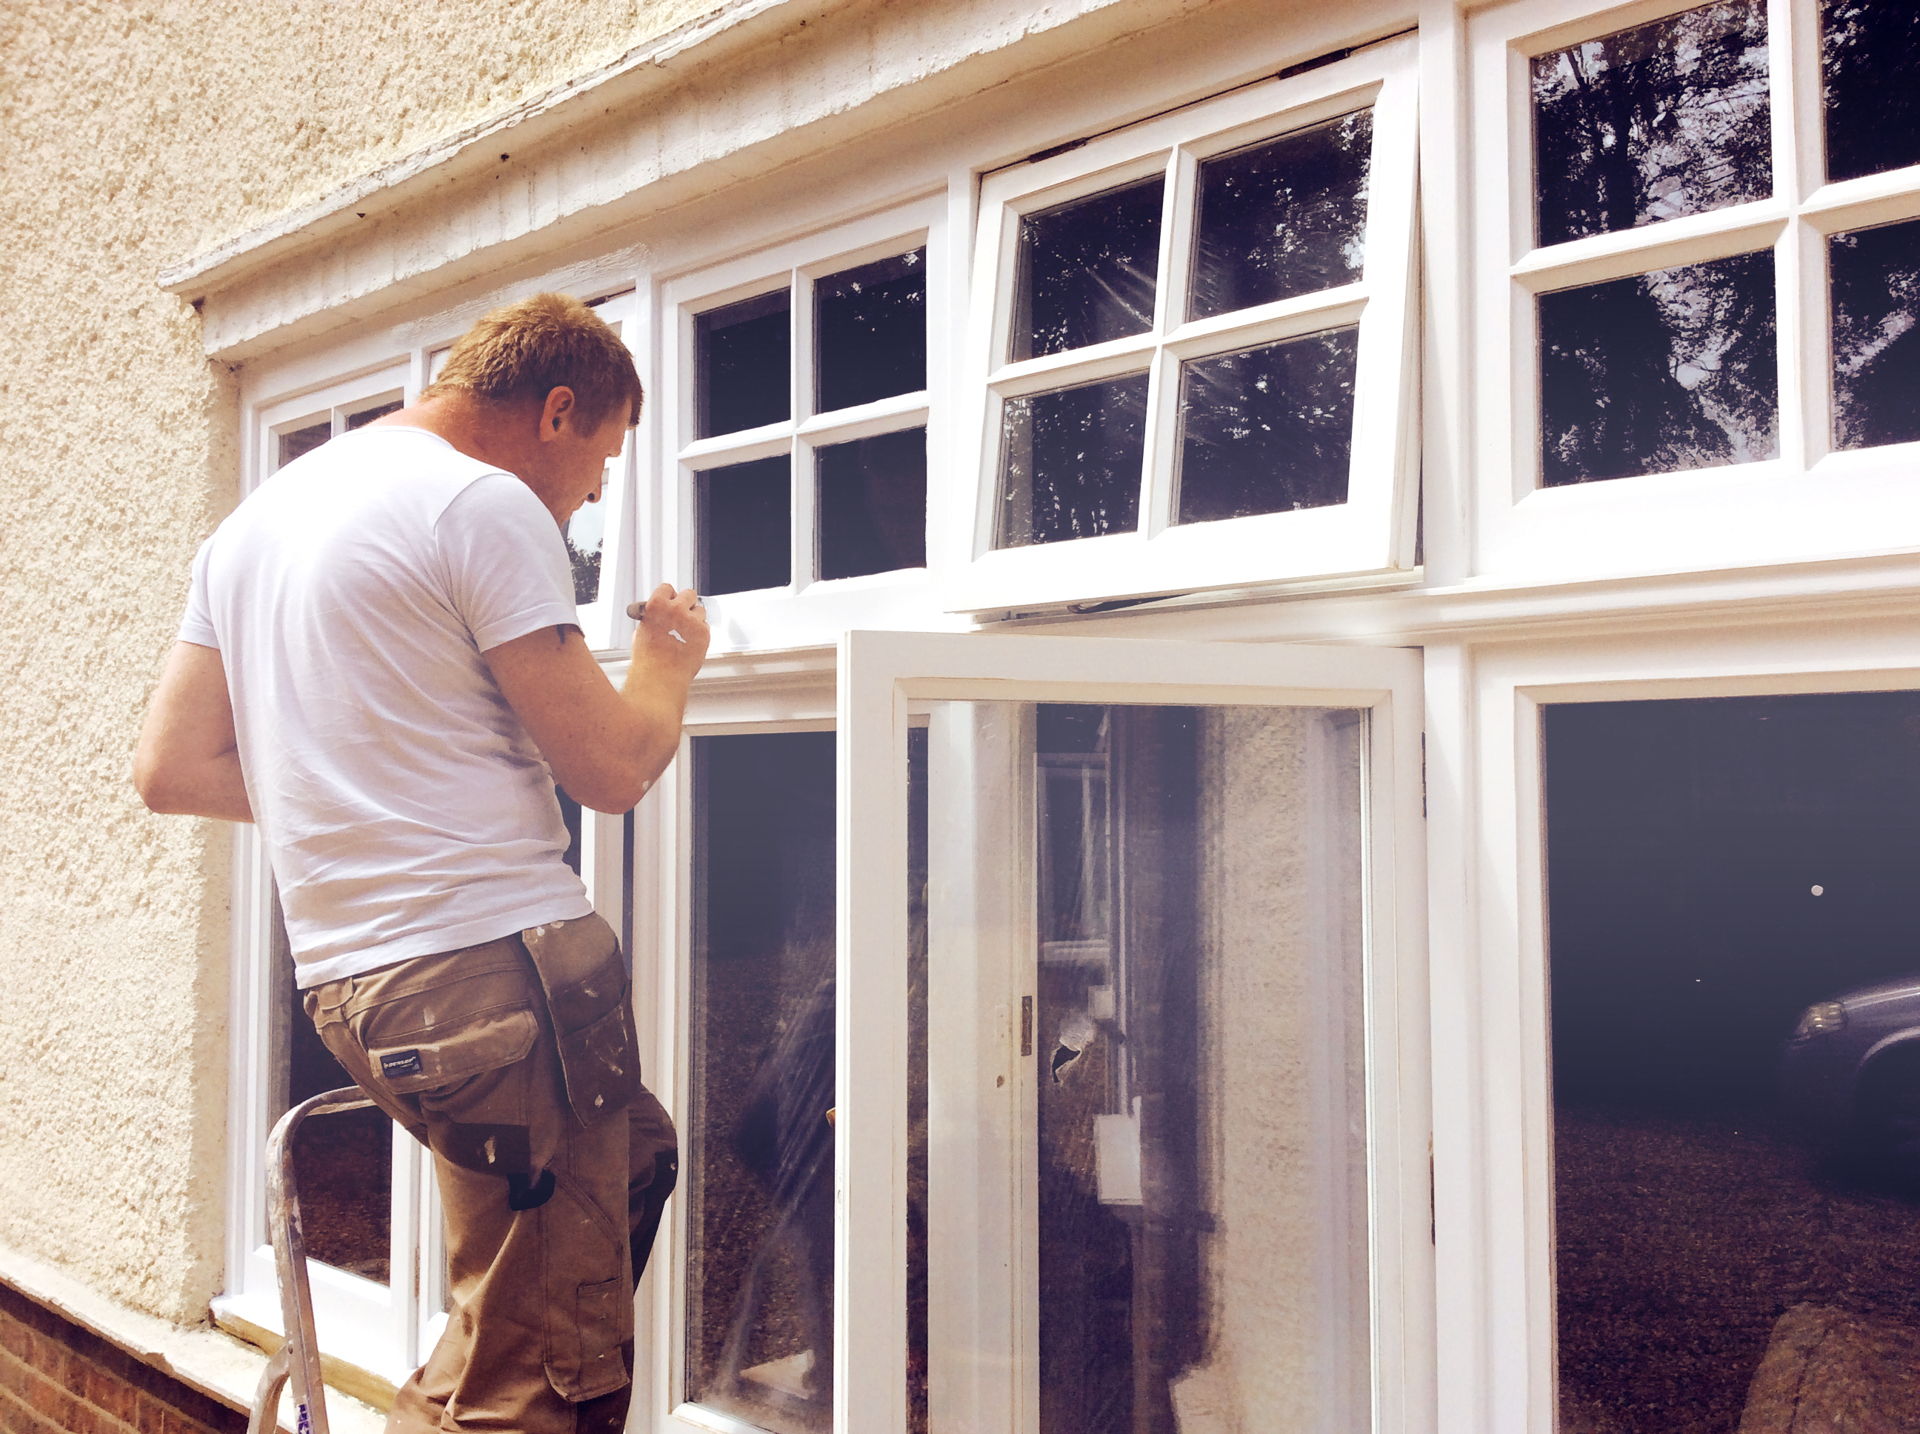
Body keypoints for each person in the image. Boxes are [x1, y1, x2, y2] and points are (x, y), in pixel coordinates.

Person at [133, 292, 709, 1433]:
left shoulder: (254, 526)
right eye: (602, 458)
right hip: (496, 975)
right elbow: (610, 769)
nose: (597, 494)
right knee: (550, 1380)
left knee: (631, 1163)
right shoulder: (479, 501)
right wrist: (667, 662)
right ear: (556, 411)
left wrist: (365, 789)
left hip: (360, 993)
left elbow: (172, 768)